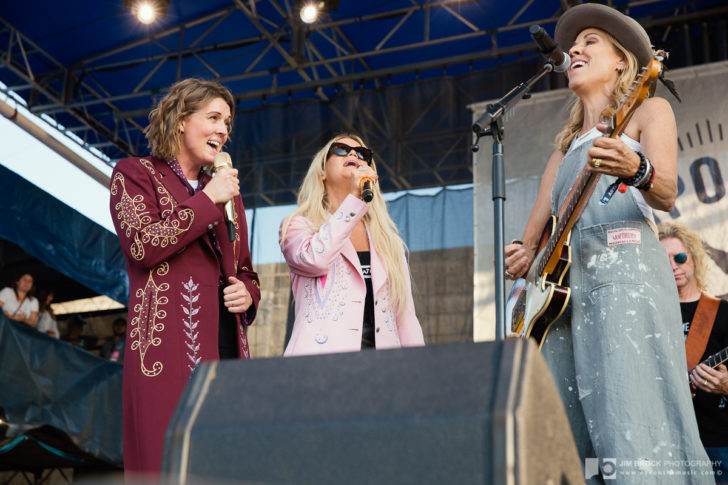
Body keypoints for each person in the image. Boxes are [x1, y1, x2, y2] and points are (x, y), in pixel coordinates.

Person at [503, 4, 712, 482]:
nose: (574, 49)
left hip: (626, 273)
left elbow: (665, 192)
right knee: (568, 418)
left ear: (623, 61)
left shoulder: (648, 109)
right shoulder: (563, 148)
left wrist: (635, 169)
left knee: (628, 405)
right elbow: (532, 241)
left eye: (589, 42)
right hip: (563, 295)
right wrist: (520, 255)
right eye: (572, 46)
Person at [109, 78, 260, 475]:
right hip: (165, 350)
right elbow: (143, 245)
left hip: (226, 347)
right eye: (213, 117)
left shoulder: (227, 190)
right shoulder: (135, 174)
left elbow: (245, 268)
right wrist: (208, 200)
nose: (223, 130)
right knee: (169, 465)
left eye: (227, 122)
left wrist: (248, 293)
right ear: (179, 119)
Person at [279, 134, 424, 355]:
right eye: (340, 149)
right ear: (323, 173)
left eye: (362, 154)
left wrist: (419, 370)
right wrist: (355, 201)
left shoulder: (388, 241)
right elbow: (315, 260)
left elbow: (405, 318)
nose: (354, 154)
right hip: (318, 369)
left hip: (382, 371)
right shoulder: (299, 226)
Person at [659, 222, 728, 482]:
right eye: (664, 260)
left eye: (679, 257)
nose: (674, 266)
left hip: (716, 442)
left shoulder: (721, 312)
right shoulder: (647, 316)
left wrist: (726, 385)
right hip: (664, 441)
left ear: (694, 258)